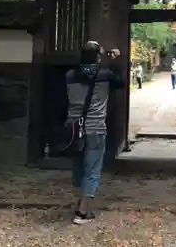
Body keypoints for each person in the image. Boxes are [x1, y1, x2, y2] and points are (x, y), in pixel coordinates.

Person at [66, 41, 124, 224]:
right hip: (95, 126)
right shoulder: (105, 75)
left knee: (79, 167)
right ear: (98, 57)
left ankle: (81, 203)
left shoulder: (69, 75)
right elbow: (120, 82)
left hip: (74, 127)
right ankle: (83, 212)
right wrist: (115, 61)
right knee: (92, 169)